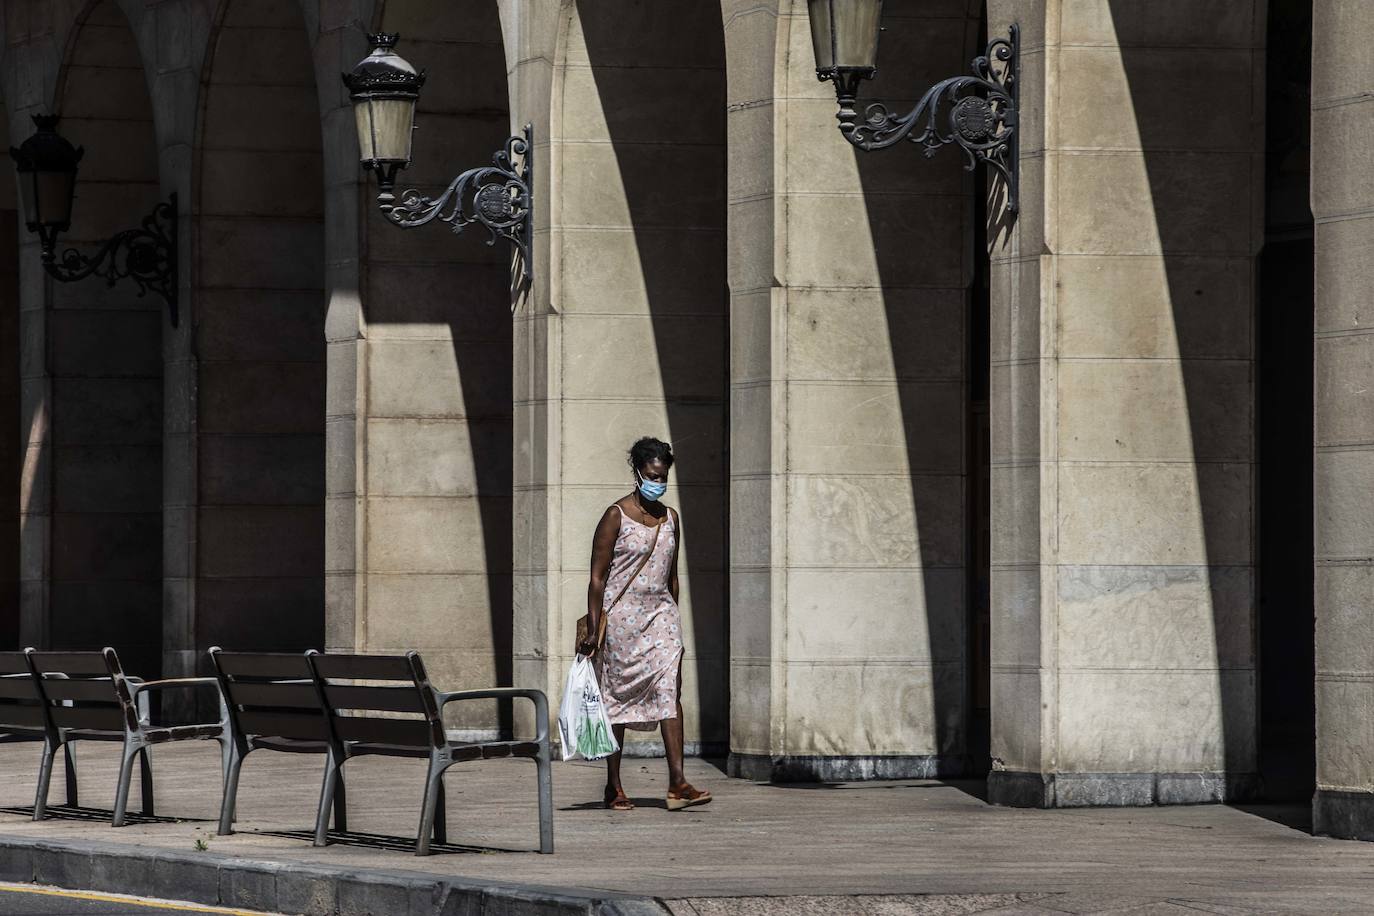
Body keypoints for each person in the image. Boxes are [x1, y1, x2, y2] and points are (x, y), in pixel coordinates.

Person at [579, 436, 712, 812]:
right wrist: (593, 628)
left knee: (669, 689)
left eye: (663, 475)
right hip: (621, 620)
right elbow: (597, 578)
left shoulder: (671, 519)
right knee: (617, 696)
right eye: (653, 475)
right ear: (637, 473)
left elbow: (672, 574)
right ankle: (614, 785)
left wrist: (674, 615)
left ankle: (677, 782)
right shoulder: (615, 515)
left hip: (661, 616)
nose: (659, 482)